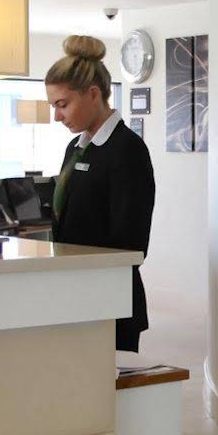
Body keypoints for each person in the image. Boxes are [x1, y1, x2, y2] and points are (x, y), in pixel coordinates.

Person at [45, 35, 156, 352]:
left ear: (93, 94)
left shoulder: (127, 150)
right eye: (54, 107)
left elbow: (131, 243)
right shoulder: (75, 148)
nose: (57, 116)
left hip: (110, 298)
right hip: (74, 294)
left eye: (63, 105)